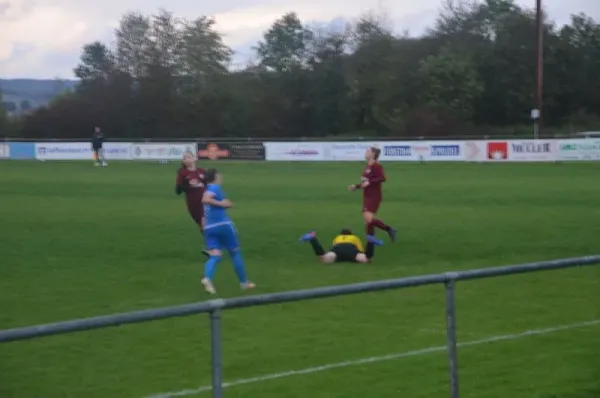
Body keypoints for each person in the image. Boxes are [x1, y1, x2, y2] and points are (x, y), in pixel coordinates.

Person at [201, 168, 255, 294]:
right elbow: (206, 199)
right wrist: (223, 204)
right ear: (215, 177)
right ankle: (244, 283)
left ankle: (207, 278)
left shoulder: (207, 189)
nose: (221, 178)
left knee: (215, 255)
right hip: (223, 225)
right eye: (220, 176)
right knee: (235, 252)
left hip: (209, 228)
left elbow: (205, 206)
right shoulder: (214, 188)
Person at [348, 146, 397, 241]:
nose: (365, 152)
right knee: (368, 222)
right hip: (367, 196)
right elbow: (366, 183)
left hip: (374, 196)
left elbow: (382, 178)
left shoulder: (376, 165)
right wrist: (356, 186)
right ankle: (371, 242)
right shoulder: (368, 166)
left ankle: (389, 229)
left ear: (373, 154)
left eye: (368, 151)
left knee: (368, 219)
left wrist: (370, 182)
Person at [299, 229, 383, 263]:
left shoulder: (337, 238)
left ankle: (313, 239)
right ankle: (370, 242)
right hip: (351, 249)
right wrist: (365, 255)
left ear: (341, 234)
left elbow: (334, 247)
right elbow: (360, 249)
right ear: (350, 234)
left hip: (337, 250)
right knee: (367, 259)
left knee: (323, 257)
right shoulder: (354, 237)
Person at [175, 151, 206, 231]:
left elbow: (208, 185)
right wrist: (187, 184)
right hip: (193, 204)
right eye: (184, 158)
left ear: (194, 158)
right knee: (202, 227)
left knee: (205, 225)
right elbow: (178, 191)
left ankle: (212, 243)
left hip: (205, 202)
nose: (186, 159)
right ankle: (211, 242)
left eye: (188, 157)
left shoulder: (202, 171)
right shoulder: (182, 173)